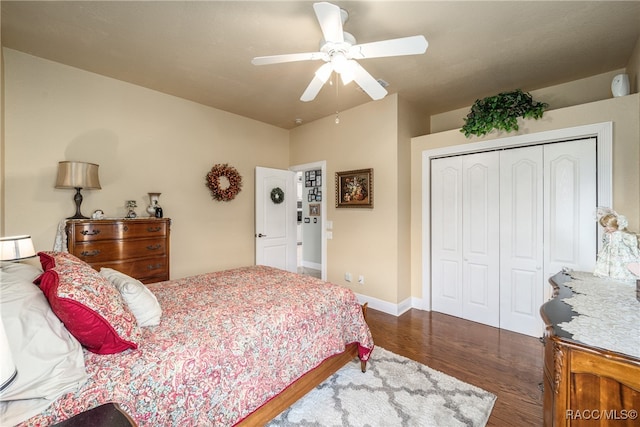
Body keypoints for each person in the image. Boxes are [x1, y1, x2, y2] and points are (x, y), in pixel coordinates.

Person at [593, 209, 640, 283]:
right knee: (609, 263)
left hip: (620, 253)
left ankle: (619, 275)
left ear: (616, 225)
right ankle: (609, 274)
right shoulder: (607, 234)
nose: (606, 228)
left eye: (608, 226)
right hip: (609, 252)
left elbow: (631, 243)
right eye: (605, 226)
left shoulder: (622, 234)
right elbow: (605, 243)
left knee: (621, 264)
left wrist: (636, 254)